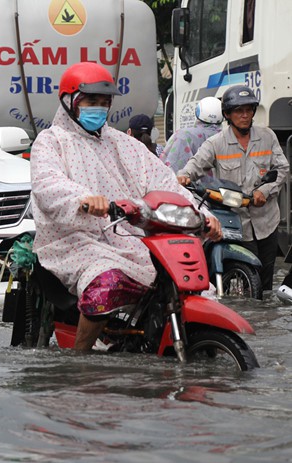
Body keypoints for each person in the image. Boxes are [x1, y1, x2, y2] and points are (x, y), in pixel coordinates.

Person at [29, 62, 222, 351]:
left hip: (131, 238)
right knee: (105, 283)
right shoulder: (51, 142)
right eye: (91, 101)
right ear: (70, 101)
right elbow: (47, 184)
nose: (99, 108)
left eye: (105, 102)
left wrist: (203, 215)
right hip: (76, 240)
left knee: (187, 283)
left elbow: (167, 183)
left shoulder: (124, 143)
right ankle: (79, 363)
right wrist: (82, 199)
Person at [177, 85, 289, 293]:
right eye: (238, 111)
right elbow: (195, 164)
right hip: (236, 222)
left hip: (267, 221)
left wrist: (265, 191)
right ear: (227, 114)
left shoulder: (267, 136)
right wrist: (183, 176)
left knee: (265, 284)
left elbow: (282, 168)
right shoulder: (216, 143)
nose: (245, 115)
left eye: (248, 110)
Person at [159, 96, 224, 173]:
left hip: (186, 183)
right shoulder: (228, 136)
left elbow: (170, 166)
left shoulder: (183, 135)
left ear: (198, 112)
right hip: (222, 184)